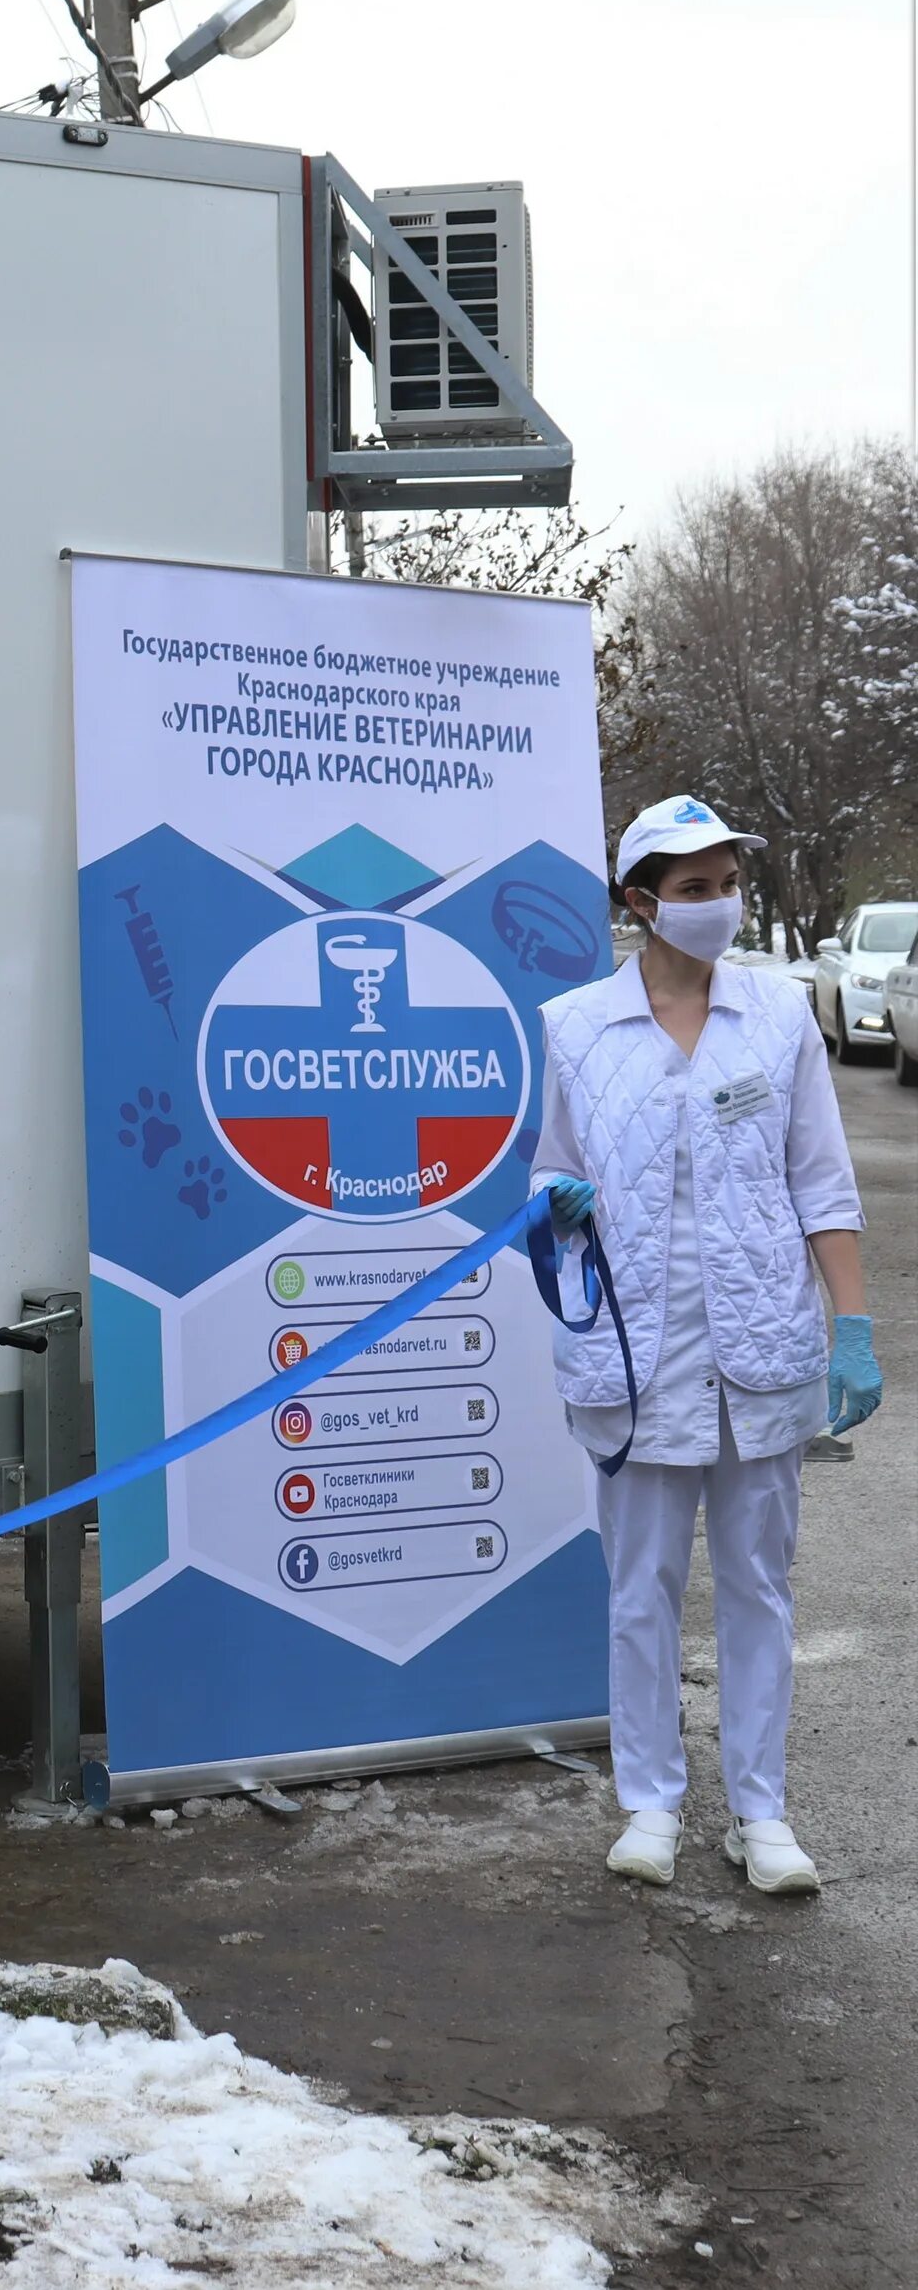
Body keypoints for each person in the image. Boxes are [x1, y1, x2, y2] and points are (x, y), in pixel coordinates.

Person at [531, 794, 882, 1899]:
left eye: (728, 884)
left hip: (762, 1346)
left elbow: (821, 1180)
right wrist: (559, 1205)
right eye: (694, 890)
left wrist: (853, 1322)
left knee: (759, 1589)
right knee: (640, 1588)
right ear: (639, 904)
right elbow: (546, 1171)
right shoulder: (575, 1026)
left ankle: (761, 1813)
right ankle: (651, 1804)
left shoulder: (778, 1019)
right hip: (637, 1357)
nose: (719, 906)